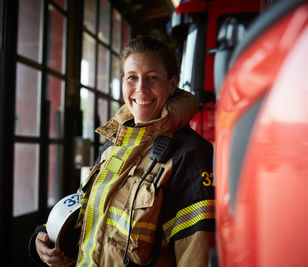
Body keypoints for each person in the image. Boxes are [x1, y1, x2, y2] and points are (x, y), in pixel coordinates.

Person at [28, 36, 215, 267]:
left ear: (172, 83)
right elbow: (87, 218)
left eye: (153, 77)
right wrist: (45, 238)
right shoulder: (112, 147)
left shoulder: (190, 154)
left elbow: (196, 254)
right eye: (132, 77)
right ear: (123, 82)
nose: (141, 88)